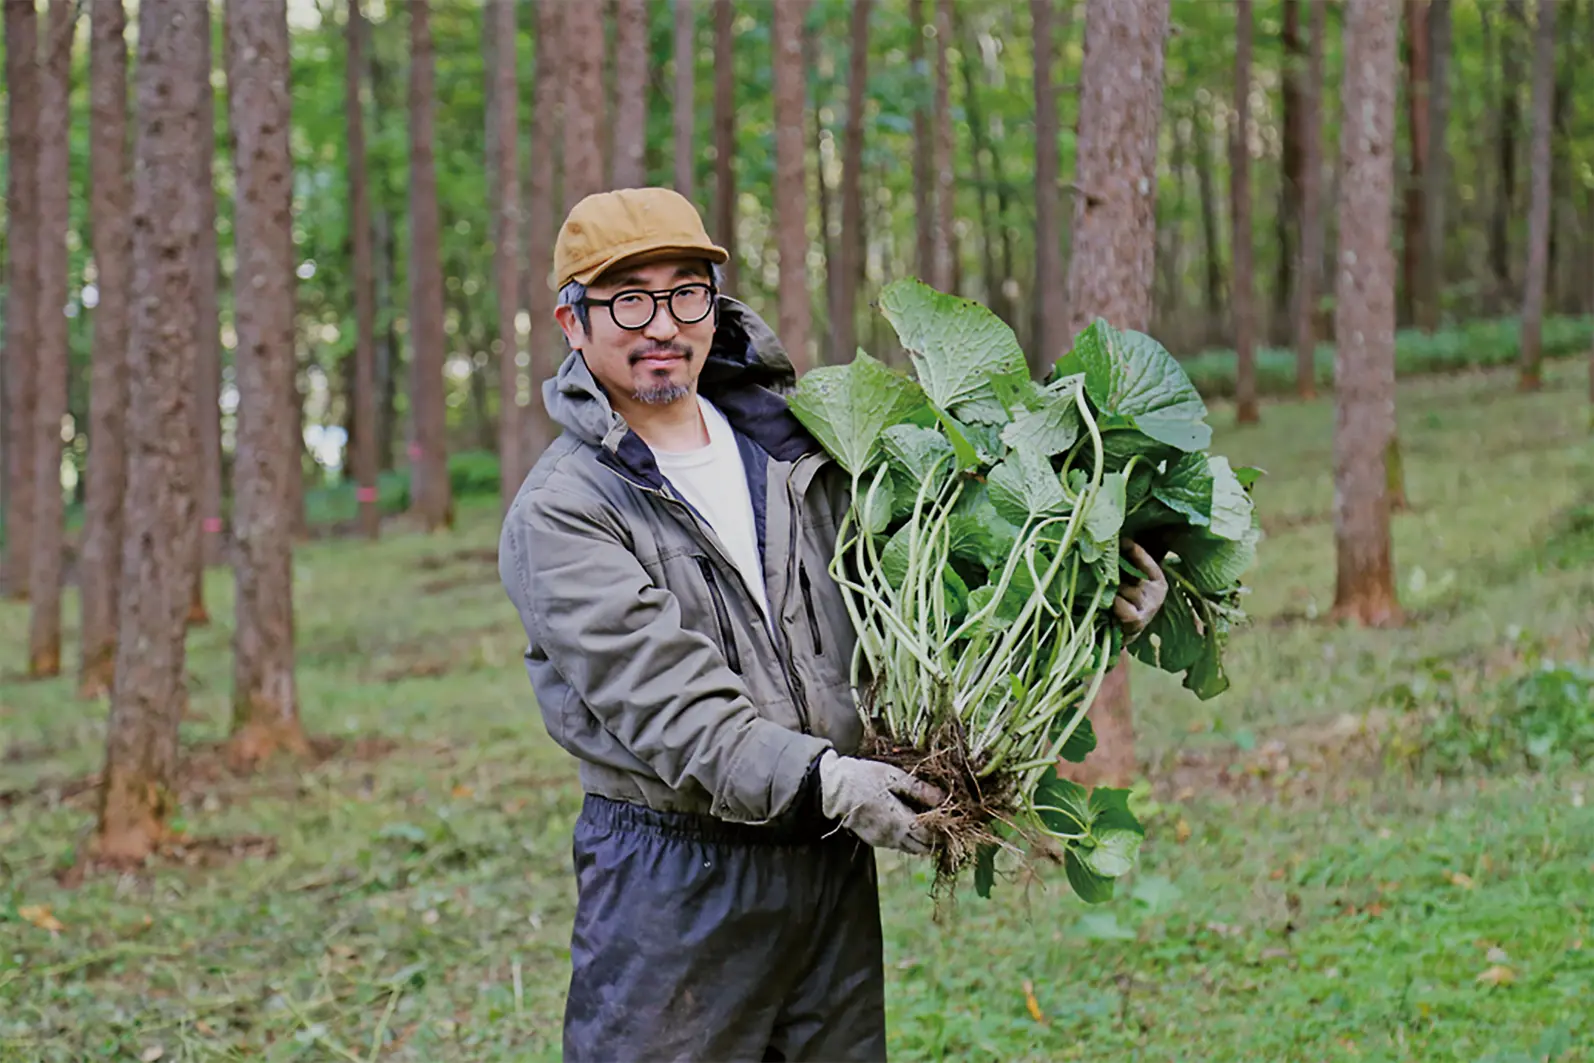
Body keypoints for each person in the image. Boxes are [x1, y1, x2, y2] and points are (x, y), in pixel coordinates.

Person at [498, 187, 1168, 1062]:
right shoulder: (565, 511)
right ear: (573, 322)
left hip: (825, 863)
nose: (661, 322)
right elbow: (672, 711)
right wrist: (829, 780)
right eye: (628, 299)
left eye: (684, 292)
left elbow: (931, 607)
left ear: (714, 306)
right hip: (676, 880)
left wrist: (1088, 606)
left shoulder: (800, 453)